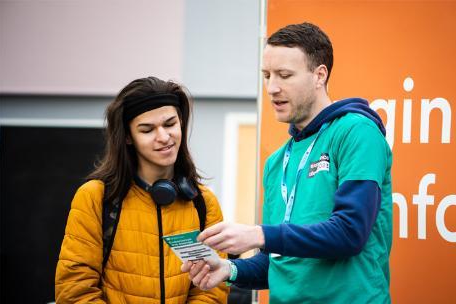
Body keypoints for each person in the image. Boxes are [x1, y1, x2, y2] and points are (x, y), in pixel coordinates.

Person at [182, 22, 393, 303]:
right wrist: (229, 268)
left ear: (319, 75)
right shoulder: (276, 162)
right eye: (267, 75)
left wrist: (259, 234)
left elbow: (350, 233)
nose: (271, 88)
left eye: (284, 75)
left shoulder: (357, 132)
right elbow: (279, 263)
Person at [55, 76, 229, 303]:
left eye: (170, 124)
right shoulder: (96, 197)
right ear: (128, 137)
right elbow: (74, 290)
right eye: (147, 130)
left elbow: (212, 290)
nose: (164, 137)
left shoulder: (203, 202)